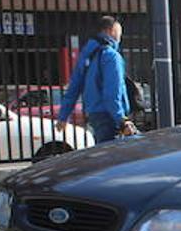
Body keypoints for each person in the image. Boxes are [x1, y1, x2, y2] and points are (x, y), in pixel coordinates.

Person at [56, 15, 135, 144]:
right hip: (109, 116)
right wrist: (121, 119)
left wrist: (63, 116)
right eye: (120, 32)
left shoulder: (87, 55)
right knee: (114, 157)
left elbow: (74, 87)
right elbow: (112, 92)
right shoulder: (111, 56)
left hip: (94, 114)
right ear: (111, 30)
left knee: (102, 153)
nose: (120, 37)